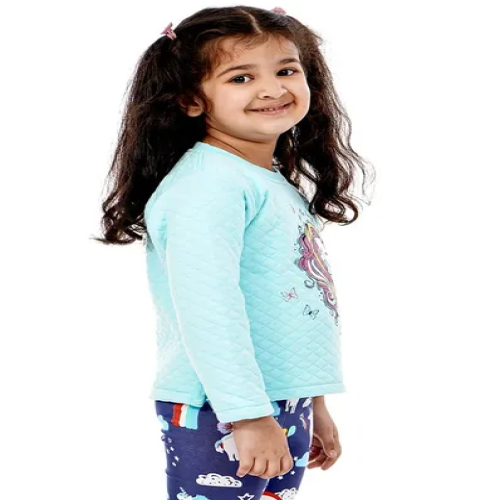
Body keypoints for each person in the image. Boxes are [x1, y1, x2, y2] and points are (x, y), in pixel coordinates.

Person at [93, 5, 374, 499]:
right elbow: (209, 311)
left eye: (286, 70)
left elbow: (281, 309)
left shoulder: (263, 179)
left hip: (273, 400)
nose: (271, 89)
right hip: (221, 406)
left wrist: (314, 402)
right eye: (241, 77)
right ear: (191, 100)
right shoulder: (208, 187)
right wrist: (247, 416)